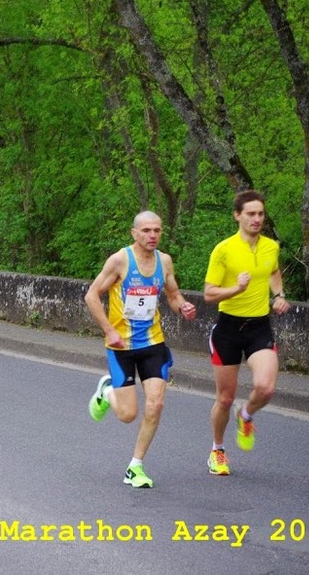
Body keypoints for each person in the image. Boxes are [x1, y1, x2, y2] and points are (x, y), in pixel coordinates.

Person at [83, 211, 197, 488]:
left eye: (157, 230)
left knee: (156, 403)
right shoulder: (120, 260)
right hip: (120, 346)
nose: (152, 236)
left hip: (153, 343)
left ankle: (135, 466)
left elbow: (172, 294)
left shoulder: (164, 261)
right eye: (146, 231)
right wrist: (110, 330)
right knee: (127, 415)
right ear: (134, 233)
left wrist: (181, 306)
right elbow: (91, 295)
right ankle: (107, 391)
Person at [203, 190, 290, 476]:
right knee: (225, 398)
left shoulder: (270, 247)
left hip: (259, 327)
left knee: (266, 388)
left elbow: (274, 271)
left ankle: (247, 414)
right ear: (237, 215)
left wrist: (278, 294)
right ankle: (217, 450)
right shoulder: (224, 249)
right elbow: (209, 294)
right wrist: (236, 289)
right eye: (250, 214)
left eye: (260, 214)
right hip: (228, 328)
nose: (256, 219)